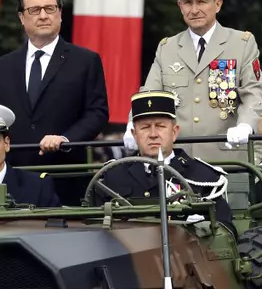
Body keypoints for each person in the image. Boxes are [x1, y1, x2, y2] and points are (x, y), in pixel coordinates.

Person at [0, 0, 109, 205]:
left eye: (50, 8)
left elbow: (97, 113)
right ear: (22, 18)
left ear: (60, 14)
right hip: (13, 182)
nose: (43, 15)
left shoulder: (85, 61)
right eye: (34, 10)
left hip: (65, 178)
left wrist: (66, 139)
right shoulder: (2, 67)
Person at [125, 0, 262, 162]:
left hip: (226, 158)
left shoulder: (241, 43)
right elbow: (150, 94)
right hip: (178, 161)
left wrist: (246, 125)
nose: (194, 10)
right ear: (179, 6)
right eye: (188, 2)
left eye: (202, 2)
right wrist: (133, 122)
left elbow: (253, 93)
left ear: (218, 4)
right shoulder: (168, 48)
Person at [100, 91, 234, 234]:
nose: (153, 134)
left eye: (160, 126)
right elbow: (93, 228)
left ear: (174, 132)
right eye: (145, 127)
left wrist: (201, 229)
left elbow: (226, 231)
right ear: (134, 134)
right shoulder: (113, 176)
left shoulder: (202, 177)